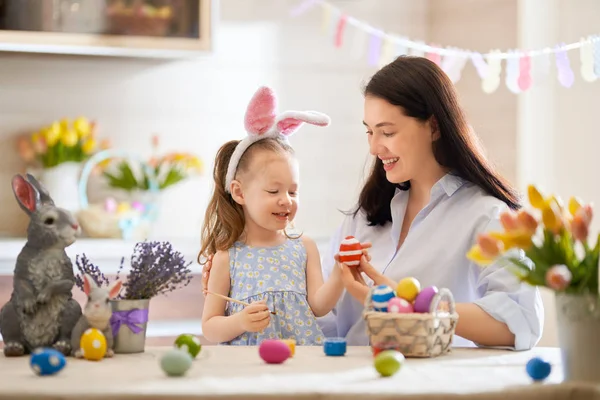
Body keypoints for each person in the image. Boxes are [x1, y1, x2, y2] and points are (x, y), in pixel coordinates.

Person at [203, 56, 544, 351]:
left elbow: (519, 323)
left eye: (387, 132)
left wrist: (407, 302)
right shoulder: (364, 218)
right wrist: (250, 285)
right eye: (369, 132)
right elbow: (322, 317)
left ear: (434, 126)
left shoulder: (485, 216)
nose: (374, 147)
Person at [198, 86, 345, 346]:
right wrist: (240, 321)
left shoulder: (304, 247)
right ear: (239, 192)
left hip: (300, 366)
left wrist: (341, 274)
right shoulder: (228, 257)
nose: (286, 200)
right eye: (273, 190)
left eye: (293, 191)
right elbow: (210, 326)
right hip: (250, 371)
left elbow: (319, 306)